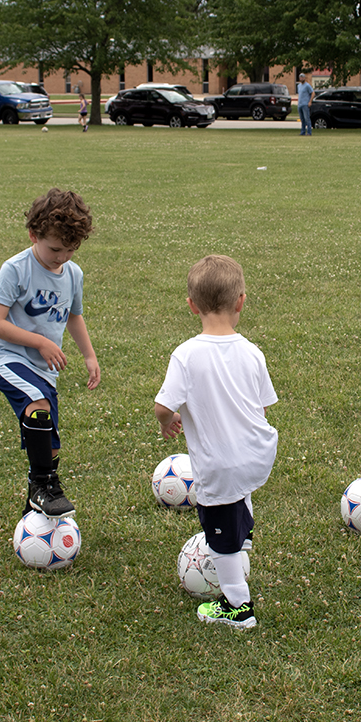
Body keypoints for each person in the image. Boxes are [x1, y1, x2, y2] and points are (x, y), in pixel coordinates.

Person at [154, 255, 278, 630]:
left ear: (192, 306)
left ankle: (237, 607)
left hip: (220, 465)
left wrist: (168, 422)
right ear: (241, 301)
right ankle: (245, 528)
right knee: (241, 489)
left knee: (217, 531)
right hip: (259, 453)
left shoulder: (187, 355)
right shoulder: (252, 351)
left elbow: (163, 405)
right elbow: (262, 406)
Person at [0, 188, 101, 519]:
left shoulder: (73, 274)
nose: (62, 257)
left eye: (70, 250)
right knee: (37, 406)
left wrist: (89, 356)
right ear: (34, 234)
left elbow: (74, 315)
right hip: (8, 358)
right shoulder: (16, 269)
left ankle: (34, 512)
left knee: (49, 446)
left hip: (43, 370)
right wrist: (39, 342)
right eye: (54, 249)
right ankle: (42, 485)